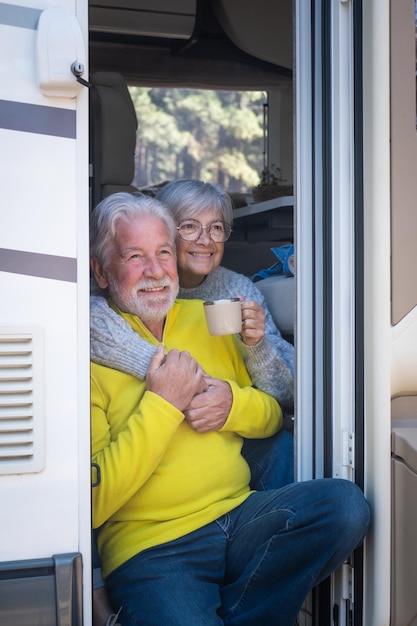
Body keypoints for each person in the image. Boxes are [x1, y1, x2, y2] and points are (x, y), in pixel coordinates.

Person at [90, 192, 370, 626]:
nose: (155, 271)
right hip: (152, 546)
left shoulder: (210, 317)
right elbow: (91, 501)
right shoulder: (86, 352)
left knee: (344, 506)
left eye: (163, 253)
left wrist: (232, 404)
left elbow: (274, 414)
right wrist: (163, 404)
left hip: (237, 516)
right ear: (101, 272)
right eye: (134, 256)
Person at [90, 179, 295, 493]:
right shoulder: (122, 296)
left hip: (234, 425)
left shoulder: (235, 290)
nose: (205, 240)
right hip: (169, 448)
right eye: (189, 226)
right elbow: (88, 322)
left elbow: (285, 395)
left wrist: (258, 347)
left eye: (216, 228)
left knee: (282, 446)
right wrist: (179, 379)